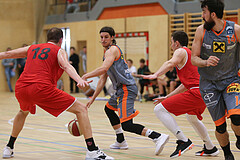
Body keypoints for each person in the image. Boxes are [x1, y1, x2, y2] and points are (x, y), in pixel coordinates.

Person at [0, 27, 113, 160]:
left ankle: (9, 147)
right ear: (61, 40)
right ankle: (92, 150)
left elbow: (7, 54)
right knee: (81, 109)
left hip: (22, 87)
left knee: (23, 112)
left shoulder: (32, 47)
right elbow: (66, 66)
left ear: (47, 38)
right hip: (41, 88)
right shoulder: (59, 50)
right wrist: (78, 79)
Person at [82, 26, 169, 156]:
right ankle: (121, 141)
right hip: (120, 90)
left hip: (126, 88)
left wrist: (85, 76)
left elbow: (103, 68)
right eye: (101, 37)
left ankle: (157, 136)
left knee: (127, 124)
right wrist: (93, 98)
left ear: (112, 37)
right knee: (109, 109)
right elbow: (102, 79)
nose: (103, 39)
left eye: (106, 37)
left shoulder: (112, 50)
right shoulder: (106, 53)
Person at [142, 31, 219, 158]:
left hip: (196, 92)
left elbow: (169, 63)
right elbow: (185, 85)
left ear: (176, 43)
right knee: (192, 118)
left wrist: (156, 74)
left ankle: (183, 140)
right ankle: (210, 147)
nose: (171, 45)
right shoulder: (188, 55)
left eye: (171, 42)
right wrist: (167, 97)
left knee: (159, 109)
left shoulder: (181, 51)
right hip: (203, 92)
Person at [191, 0, 240, 159]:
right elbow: (194, 58)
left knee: (237, 117)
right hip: (209, 84)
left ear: (213, 14)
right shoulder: (201, 31)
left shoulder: (235, 30)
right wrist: (205, 62)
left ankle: (239, 138)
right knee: (220, 126)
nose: (202, 16)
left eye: (204, 12)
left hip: (231, 80)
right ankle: (227, 153)